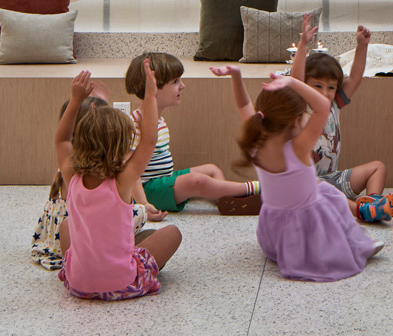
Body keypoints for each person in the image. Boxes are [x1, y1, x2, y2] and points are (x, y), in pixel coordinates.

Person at [235, 74, 385, 281]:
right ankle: (357, 244)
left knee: (324, 189)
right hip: (306, 234)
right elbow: (323, 107)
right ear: (296, 120)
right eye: (305, 114)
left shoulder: (255, 143)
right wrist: (293, 82)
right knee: (332, 199)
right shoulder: (299, 147)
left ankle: (354, 240)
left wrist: (235, 75)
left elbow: (243, 104)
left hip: (272, 235)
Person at [54, 68, 181, 300]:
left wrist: (75, 99)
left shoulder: (71, 175)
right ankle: (129, 259)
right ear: (122, 146)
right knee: (173, 233)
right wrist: (150, 96)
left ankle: (87, 268)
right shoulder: (123, 180)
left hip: (78, 285)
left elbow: (61, 138)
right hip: (123, 283)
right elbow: (150, 141)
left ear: (79, 140)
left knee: (65, 225)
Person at [287, 16, 393, 220]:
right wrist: (303, 45)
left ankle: (373, 204)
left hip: (333, 181)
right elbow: (294, 80)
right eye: (317, 86)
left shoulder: (334, 105)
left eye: (331, 87)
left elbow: (355, 77)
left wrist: (361, 46)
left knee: (378, 168)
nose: (325, 93)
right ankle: (360, 211)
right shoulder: (301, 106)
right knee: (315, 185)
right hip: (307, 186)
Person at [125, 52, 260, 214]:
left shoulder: (159, 119)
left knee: (211, 169)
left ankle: (227, 202)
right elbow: (130, 172)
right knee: (196, 181)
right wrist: (143, 206)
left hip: (162, 181)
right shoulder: (135, 124)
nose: (182, 85)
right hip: (148, 191)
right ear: (153, 88)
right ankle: (254, 188)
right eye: (175, 81)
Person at [33, 85, 149, 270]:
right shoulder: (118, 176)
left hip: (57, 237)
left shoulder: (70, 165)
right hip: (83, 234)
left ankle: (71, 264)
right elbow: (144, 143)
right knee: (139, 212)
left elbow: (62, 138)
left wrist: (76, 100)